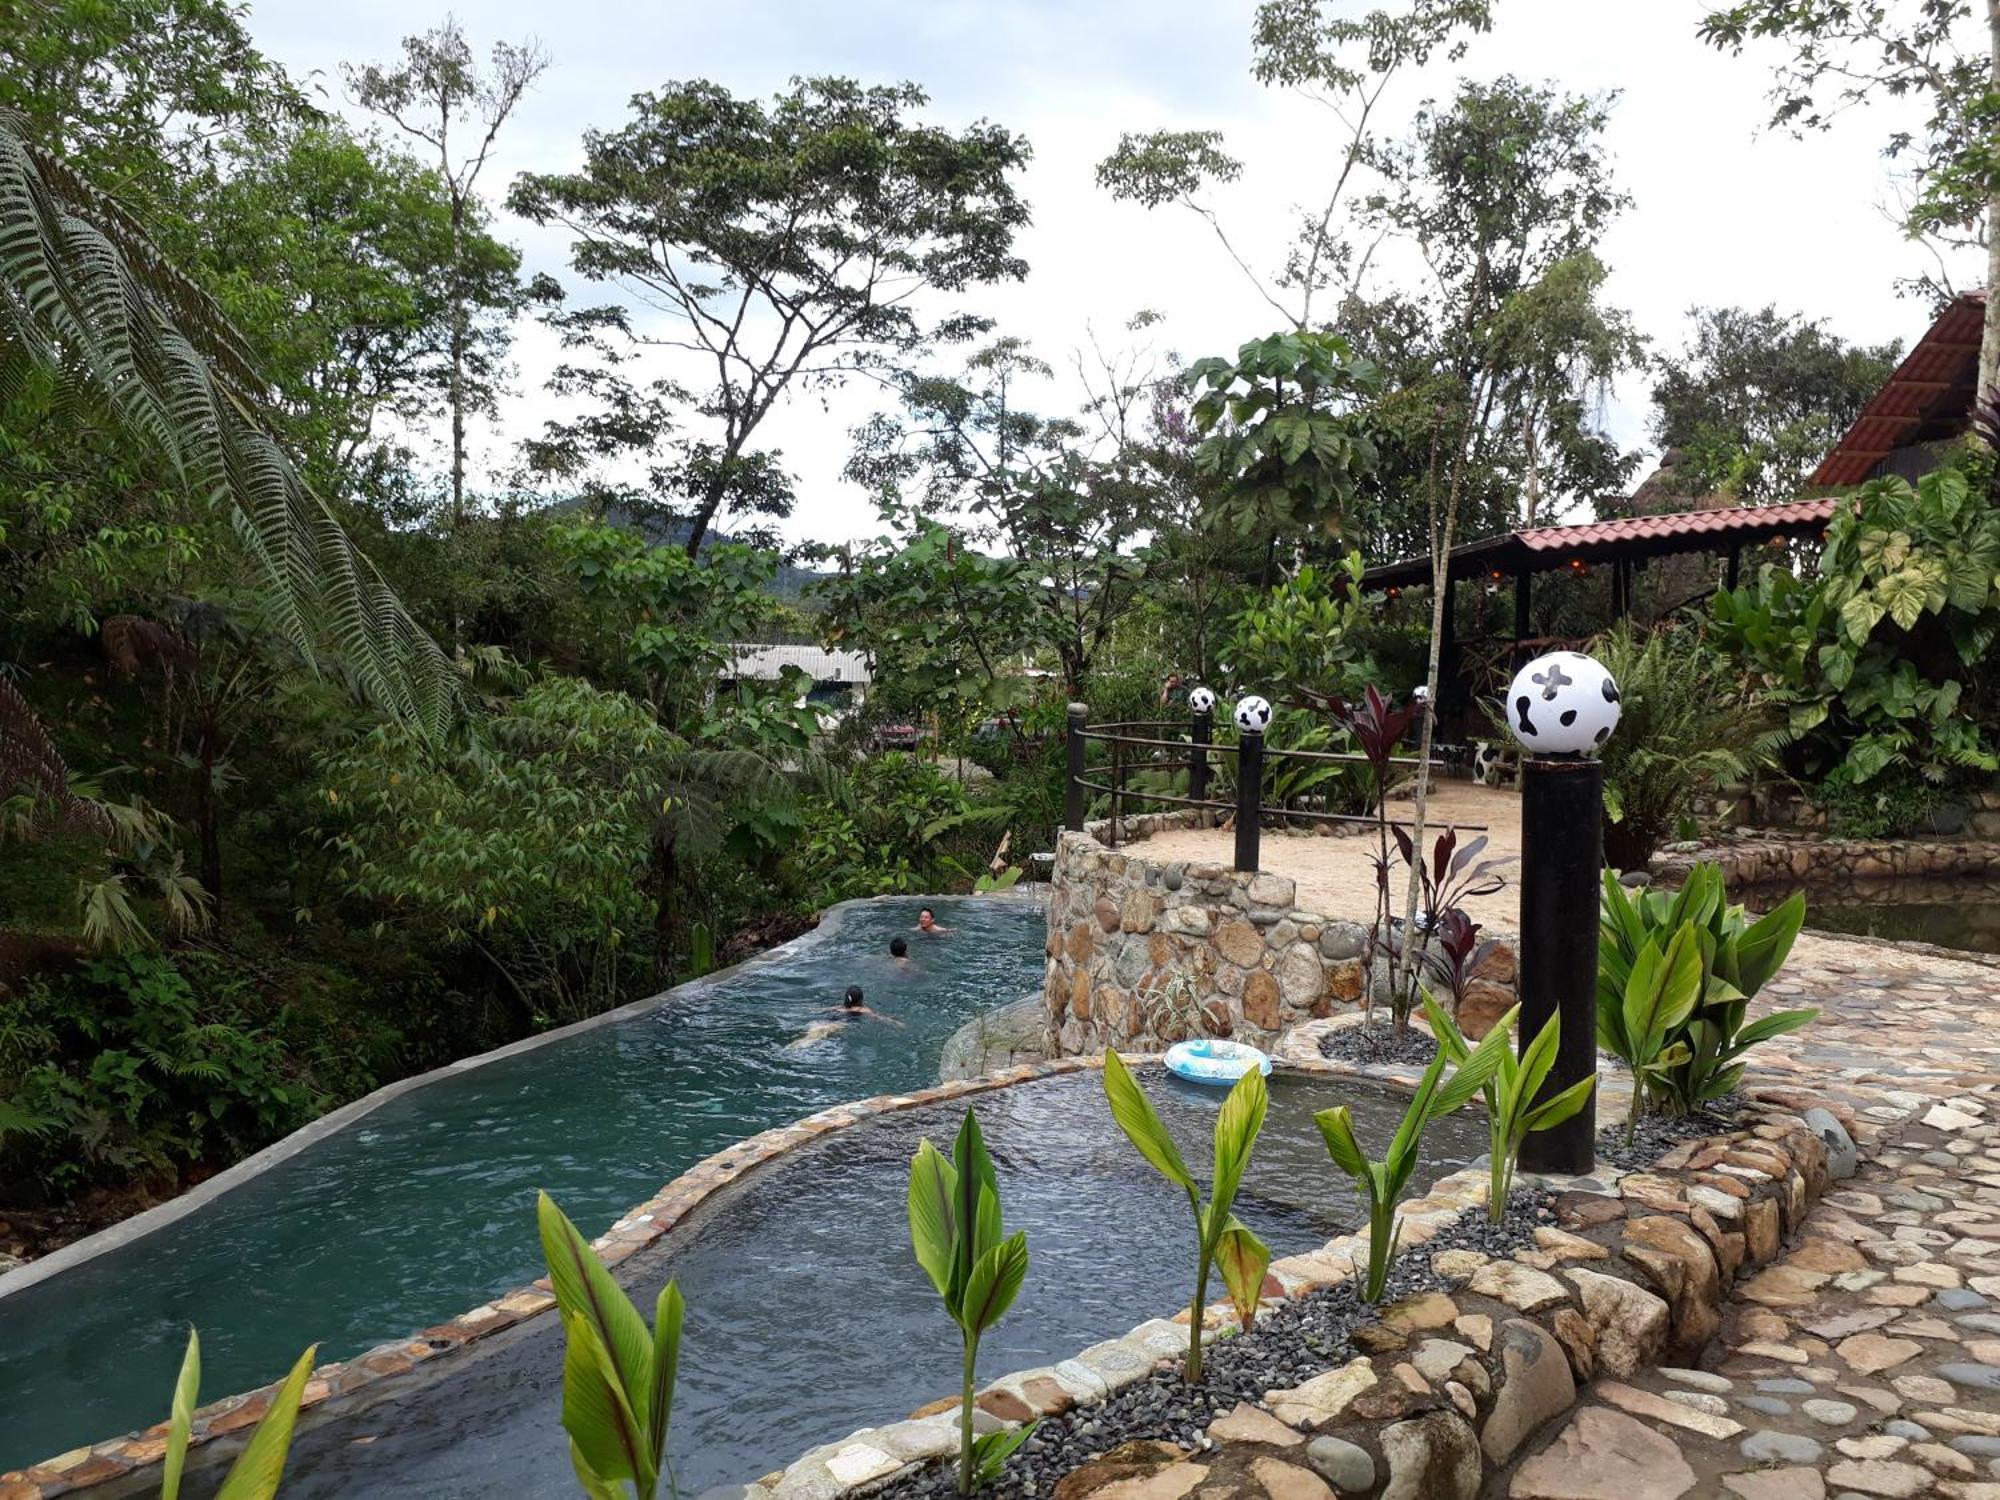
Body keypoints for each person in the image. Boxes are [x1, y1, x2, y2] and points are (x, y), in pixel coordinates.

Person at [786, 985, 902, 1048]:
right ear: (861, 999)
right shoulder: (863, 1009)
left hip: (825, 1020)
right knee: (810, 1041)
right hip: (839, 1024)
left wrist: (811, 1010)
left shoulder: (839, 1007)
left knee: (810, 1035)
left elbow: (824, 1010)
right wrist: (895, 1023)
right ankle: (793, 1049)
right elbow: (879, 1018)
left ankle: (792, 1047)